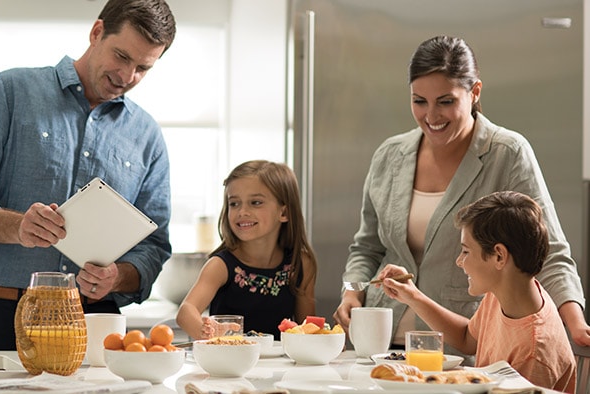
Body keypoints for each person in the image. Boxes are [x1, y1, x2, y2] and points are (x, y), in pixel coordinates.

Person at [0, 0, 176, 350]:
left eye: (143, 67)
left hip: (97, 327)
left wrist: (116, 277)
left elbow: (154, 246)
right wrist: (18, 226)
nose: (127, 77)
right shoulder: (11, 91)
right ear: (97, 33)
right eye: (122, 57)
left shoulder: (147, 136)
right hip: (5, 318)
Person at [332, 35, 590, 354]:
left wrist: (576, 323)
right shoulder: (389, 155)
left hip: (464, 344)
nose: (431, 116)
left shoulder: (506, 153)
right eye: (419, 101)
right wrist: (352, 291)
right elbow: (366, 247)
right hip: (382, 341)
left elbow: (547, 248)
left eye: (446, 101)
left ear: (474, 92)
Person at [381, 191, 576, 393]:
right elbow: (467, 338)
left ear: (499, 256)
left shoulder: (533, 352)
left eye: (466, 251)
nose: (459, 261)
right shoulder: (508, 292)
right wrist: (412, 296)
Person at [176, 160, 317, 340]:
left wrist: (323, 340)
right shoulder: (220, 266)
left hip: (279, 367)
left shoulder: (301, 264)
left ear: (284, 213)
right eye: (234, 204)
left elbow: (308, 330)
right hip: (227, 364)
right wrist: (208, 334)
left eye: (255, 202)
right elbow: (186, 311)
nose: (242, 211)